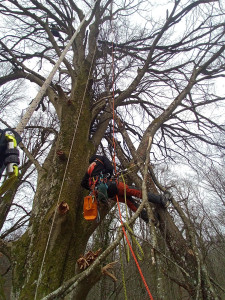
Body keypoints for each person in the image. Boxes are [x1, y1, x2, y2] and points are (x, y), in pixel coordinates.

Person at [81, 155, 171, 223]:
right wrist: (107, 176)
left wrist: (92, 187)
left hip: (106, 194)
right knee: (135, 191)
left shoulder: (89, 170)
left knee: (129, 202)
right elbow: (110, 168)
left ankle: (151, 219)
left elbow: (83, 183)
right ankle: (161, 200)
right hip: (110, 185)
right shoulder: (101, 158)